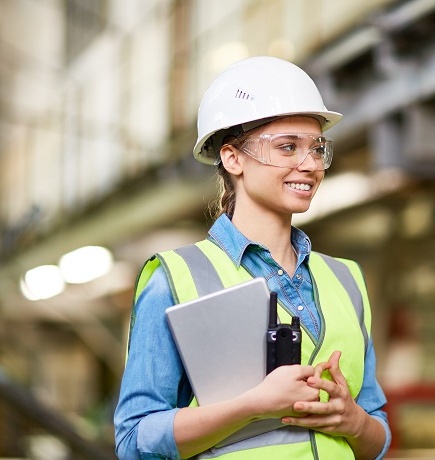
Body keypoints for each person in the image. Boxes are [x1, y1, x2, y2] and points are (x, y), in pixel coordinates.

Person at [114, 56, 391, 460]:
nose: (310, 164)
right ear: (233, 158)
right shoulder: (175, 277)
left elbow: (378, 436)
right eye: (287, 147)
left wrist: (354, 421)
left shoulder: (346, 279)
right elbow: (135, 441)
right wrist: (253, 405)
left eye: (317, 148)